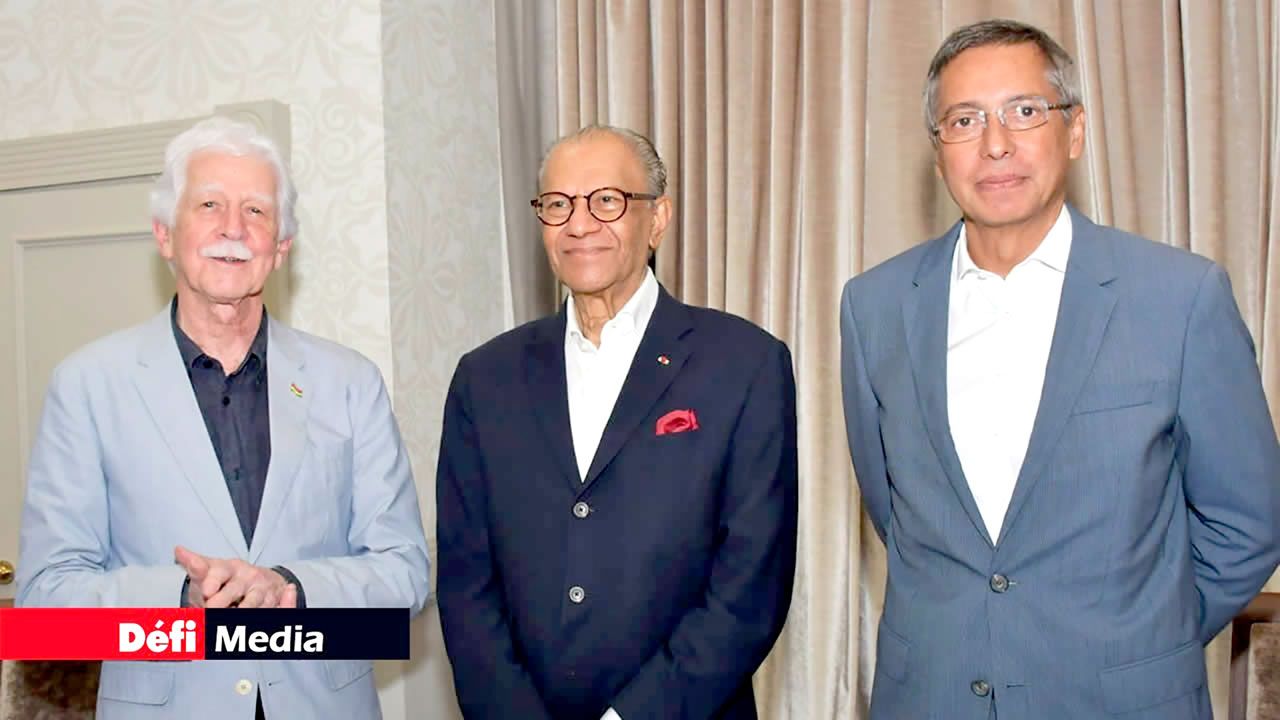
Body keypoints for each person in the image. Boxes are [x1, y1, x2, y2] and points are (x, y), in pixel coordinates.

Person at [839, 18, 1280, 720]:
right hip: (932, 697)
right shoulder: (875, 306)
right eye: (964, 120)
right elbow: (894, 510)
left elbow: (1247, 522)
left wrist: (1143, 636)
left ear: (1074, 131)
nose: (995, 143)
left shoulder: (1179, 297)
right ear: (938, 152)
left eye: (1024, 111)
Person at [17, 116, 431, 720]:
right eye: (209, 204)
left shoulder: (351, 383)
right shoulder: (87, 385)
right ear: (165, 235)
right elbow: (44, 609)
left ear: (281, 248)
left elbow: (405, 576)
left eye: (256, 211)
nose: (233, 228)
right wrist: (179, 600)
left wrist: (288, 587)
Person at [436, 125, 798, 719]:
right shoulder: (484, 378)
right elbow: (466, 585)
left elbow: (750, 587)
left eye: (607, 201)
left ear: (658, 219)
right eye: (558, 205)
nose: (579, 224)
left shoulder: (743, 364)